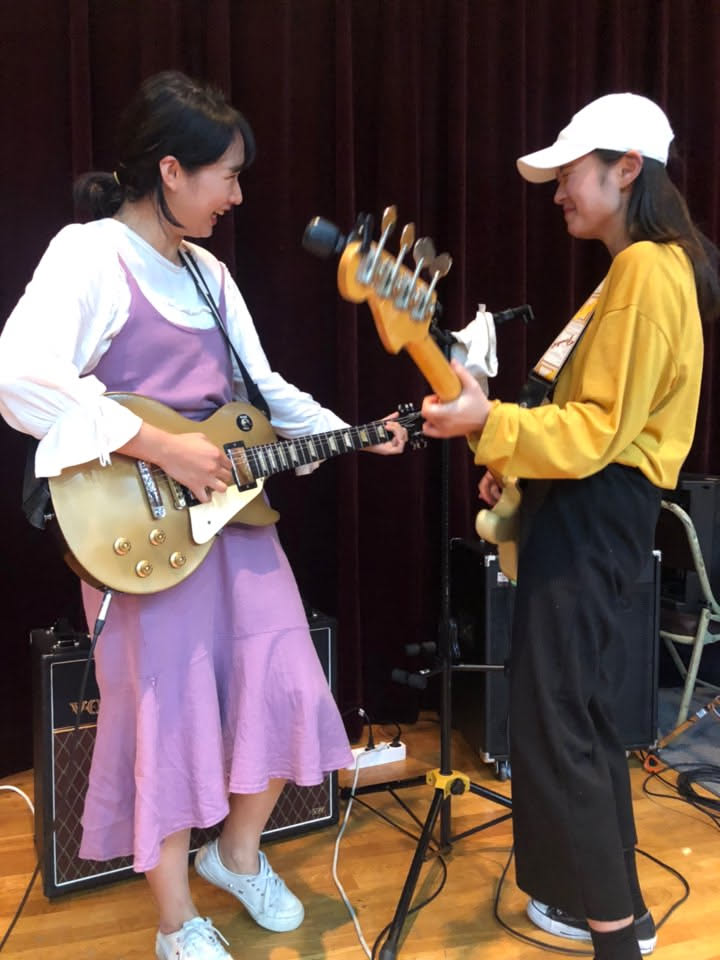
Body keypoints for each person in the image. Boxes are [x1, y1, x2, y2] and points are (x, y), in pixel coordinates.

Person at [0, 71, 408, 960]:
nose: (237, 195)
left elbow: (264, 390)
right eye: (227, 175)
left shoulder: (209, 273)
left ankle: (237, 855)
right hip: (136, 535)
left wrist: (352, 432)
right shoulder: (88, 255)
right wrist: (162, 446)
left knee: (288, 681)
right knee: (166, 716)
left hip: (233, 519)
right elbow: (19, 377)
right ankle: (175, 920)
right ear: (171, 171)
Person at [421, 93, 720, 960]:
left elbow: (593, 434)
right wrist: (514, 458)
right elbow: (593, 424)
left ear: (628, 169)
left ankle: (614, 935)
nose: (556, 192)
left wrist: (490, 423)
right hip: (591, 511)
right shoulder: (642, 271)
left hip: (595, 516)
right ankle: (608, 908)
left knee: (559, 721)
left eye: (569, 173)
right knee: (573, 714)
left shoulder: (646, 271)